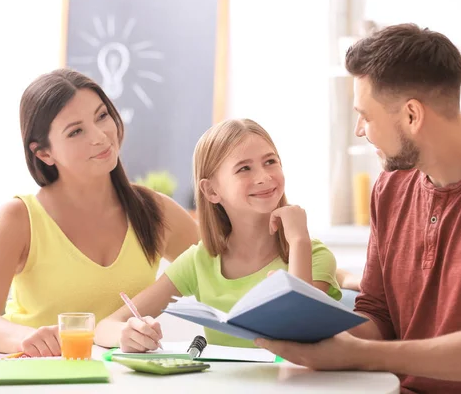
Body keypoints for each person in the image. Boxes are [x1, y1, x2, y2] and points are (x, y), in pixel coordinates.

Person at [255, 24, 461, 394]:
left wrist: (363, 356)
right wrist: (301, 322)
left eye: (366, 116)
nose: (359, 130)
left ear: (412, 115)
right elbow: (379, 316)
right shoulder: (390, 188)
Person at [0, 69, 199, 357]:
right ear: (43, 153)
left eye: (102, 116)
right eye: (76, 131)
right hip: (38, 379)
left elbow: (222, 265)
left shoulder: (155, 211)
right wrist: (27, 338)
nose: (100, 136)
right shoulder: (19, 218)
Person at [95, 118, 342, 351]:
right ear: (211, 190)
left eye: (270, 162)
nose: (264, 177)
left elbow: (298, 339)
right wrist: (128, 334)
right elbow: (105, 327)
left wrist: (299, 241)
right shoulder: (199, 261)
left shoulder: (313, 255)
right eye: (244, 168)